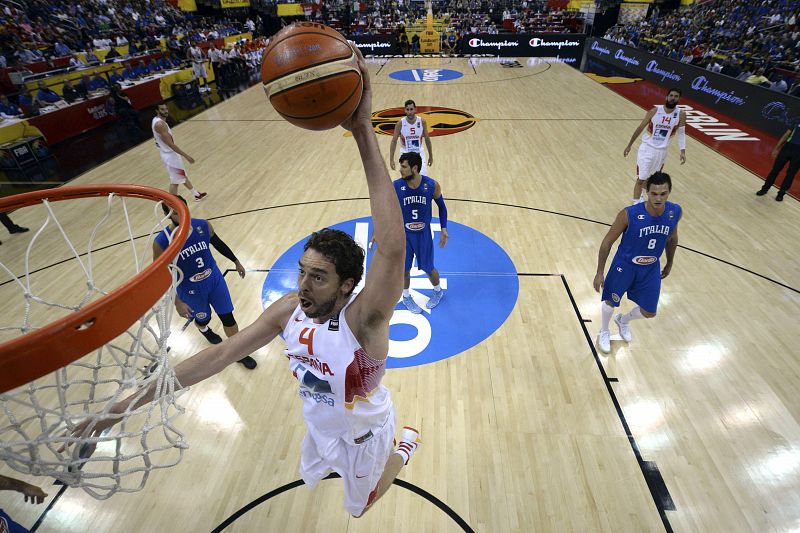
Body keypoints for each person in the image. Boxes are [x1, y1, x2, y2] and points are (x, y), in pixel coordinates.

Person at [66, 45, 422, 518]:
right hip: (320, 426)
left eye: (318, 278)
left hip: (366, 433)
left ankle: (406, 448)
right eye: (302, 271)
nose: (303, 285)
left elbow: (393, 250)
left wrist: (361, 131)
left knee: (363, 505)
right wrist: (119, 407)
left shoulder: (366, 320)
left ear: (345, 286)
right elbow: (217, 356)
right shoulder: (287, 313)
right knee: (318, 475)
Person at [154, 196, 256, 369]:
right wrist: (177, 300)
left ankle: (239, 352)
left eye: (184, 210)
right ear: (167, 214)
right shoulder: (162, 242)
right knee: (203, 319)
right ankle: (204, 329)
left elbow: (218, 243)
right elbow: (161, 273)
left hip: (214, 279)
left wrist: (235, 260)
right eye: (177, 213)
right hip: (189, 288)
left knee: (228, 317)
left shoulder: (203, 225)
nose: (183, 216)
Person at [593, 172, 682, 354]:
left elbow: (672, 239)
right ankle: (603, 330)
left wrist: (669, 262)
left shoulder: (674, 212)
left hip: (650, 268)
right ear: (646, 192)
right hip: (624, 265)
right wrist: (600, 271)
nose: (658, 198)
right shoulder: (629, 214)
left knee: (650, 311)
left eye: (663, 193)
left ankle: (623, 320)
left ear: (669, 192)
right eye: (654, 193)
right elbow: (607, 242)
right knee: (610, 301)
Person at [387, 151, 448, 313]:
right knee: (404, 269)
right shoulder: (396, 186)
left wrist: (444, 228)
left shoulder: (432, 185)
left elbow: (442, 207)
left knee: (429, 268)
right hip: (404, 235)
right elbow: (387, 209)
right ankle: (406, 296)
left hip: (423, 235)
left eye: (404, 166)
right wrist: (379, 229)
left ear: (415, 168)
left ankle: (438, 291)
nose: (400, 169)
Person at [623, 88, 686, 204]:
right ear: (666, 97)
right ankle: (635, 204)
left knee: (651, 178)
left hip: (662, 152)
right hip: (647, 149)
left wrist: (683, 151)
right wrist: (629, 144)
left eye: (676, 96)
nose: (673, 98)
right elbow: (640, 127)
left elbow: (681, 134)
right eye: (671, 95)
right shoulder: (655, 111)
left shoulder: (681, 114)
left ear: (679, 99)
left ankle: (641, 197)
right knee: (641, 178)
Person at [152, 103, 207, 199]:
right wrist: (186, 156)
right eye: (162, 109)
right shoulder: (160, 124)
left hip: (168, 154)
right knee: (175, 182)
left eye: (166, 109)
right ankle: (171, 204)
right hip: (170, 156)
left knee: (181, 176)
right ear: (157, 110)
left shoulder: (156, 120)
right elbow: (171, 144)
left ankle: (196, 194)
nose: (165, 111)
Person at [389, 100, 433, 176]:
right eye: (407, 109)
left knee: (422, 177)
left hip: (419, 152)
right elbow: (394, 141)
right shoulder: (400, 124)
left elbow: (427, 139)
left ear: (415, 109)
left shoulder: (422, 122)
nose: (409, 112)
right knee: (406, 178)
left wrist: (430, 156)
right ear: (405, 110)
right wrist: (391, 159)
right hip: (405, 153)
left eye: (411, 109)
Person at [757, 122, 800, 201]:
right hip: (787, 148)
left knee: (790, 174)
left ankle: (781, 194)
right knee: (775, 170)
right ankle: (764, 189)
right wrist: (777, 148)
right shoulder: (797, 121)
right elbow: (786, 134)